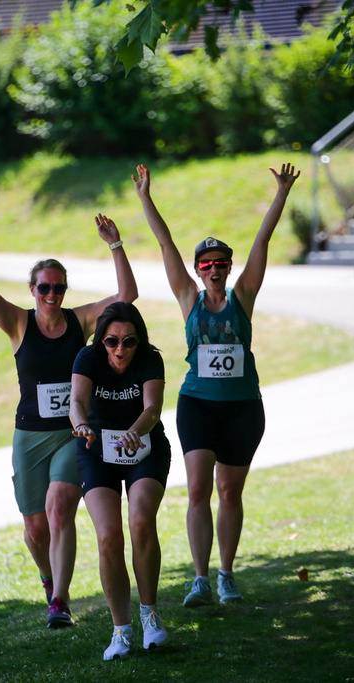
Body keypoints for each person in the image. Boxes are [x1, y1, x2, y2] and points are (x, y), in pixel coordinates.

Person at [132, 161, 300, 607]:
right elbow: (164, 242)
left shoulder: (243, 295)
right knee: (199, 489)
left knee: (230, 491)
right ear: (197, 269)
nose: (213, 269)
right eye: (205, 264)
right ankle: (200, 579)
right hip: (198, 405)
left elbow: (262, 241)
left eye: (220, 263)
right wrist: (145, 197)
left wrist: (281, 192)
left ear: (228, 267)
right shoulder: (189, 299)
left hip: (243, 407)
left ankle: (226, 575)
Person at [0, 205, 137, 628]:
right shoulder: (19, 324)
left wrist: (115, 244)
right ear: (32, 289)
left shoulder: (81, 321)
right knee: (36, 528)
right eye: (44, 288)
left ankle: (59, 601)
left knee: (60, 507)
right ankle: (47, 578)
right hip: (30, 436)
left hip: (73, 432)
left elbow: (126, 296)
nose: (51, 296)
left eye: (58, 288)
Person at [69, 301, 172, 660]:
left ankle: (150, 614)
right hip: (96, 449)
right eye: (112, 342)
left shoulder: (150, 359)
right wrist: (80, 423)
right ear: (101, 340)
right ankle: (121, 630)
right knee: (109, 536)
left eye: (129, 342)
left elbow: (153, 409)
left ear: (139, 340)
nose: (120, 350)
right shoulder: (88, 358)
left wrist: (133, 432)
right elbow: (76, 402)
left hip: (143, 448)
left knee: (141, 521)